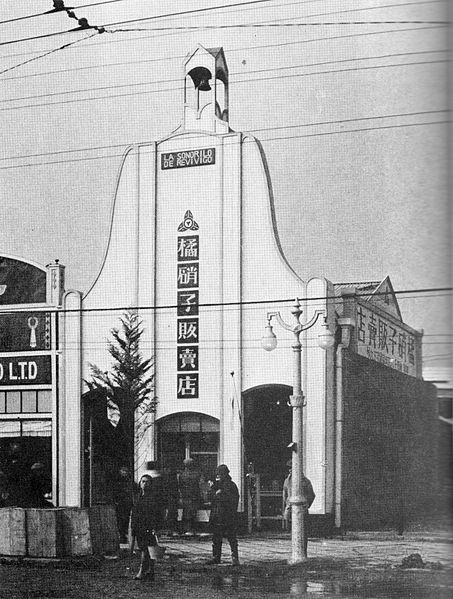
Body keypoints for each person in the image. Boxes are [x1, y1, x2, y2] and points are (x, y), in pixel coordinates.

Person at [130, 474, 164, 581]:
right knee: (146, 549)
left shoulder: (154, 498)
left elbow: (157, 514)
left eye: (147, 482)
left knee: (147, 549)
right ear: (140, 484)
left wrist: (156, 528)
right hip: (139, 526)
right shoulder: (137, 497)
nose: (145, 484)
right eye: (143, 482)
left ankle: (142, 571)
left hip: (149, 527)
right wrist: (133, 527)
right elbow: (134, 513)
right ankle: (150, 571)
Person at [206, 464, 240, 566]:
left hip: (227, 515)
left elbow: (232, 500)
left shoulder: (231, 486)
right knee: (216, 537)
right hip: (218, 515)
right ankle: (216, 557)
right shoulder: (217, 486)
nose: (218, 476)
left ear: (225, 474)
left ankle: (234, 558)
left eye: (220, 474)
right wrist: (214, 492)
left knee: (231, 537)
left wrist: (219, 495)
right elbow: (210, 497)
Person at [282, 460, 315, 554]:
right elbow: (284, 495)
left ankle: (302, 552)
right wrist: (287, 505)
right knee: (292, 532)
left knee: (303, 533)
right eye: (289, 468)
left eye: (292, 468)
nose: (290, 470)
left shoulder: (305, 481)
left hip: (302, 510)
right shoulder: (287, 481)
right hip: (290, 509)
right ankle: (294, 551)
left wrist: (306, 504)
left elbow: (311, 495)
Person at [178, 457, 202, 535]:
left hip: (185, 496)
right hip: (194, 496)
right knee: (192, 512)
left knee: (186, 512)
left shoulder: (182, 474)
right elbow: (200, 485)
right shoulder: (197, 474)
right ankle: (191, 529)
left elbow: (180, 486)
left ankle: (186, 528)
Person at [112, 466, 135, 543]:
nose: (124, 472)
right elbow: (114, 493)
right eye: (123, 471)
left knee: (127, 520)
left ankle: (125, 536)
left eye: (126, 471)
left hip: (128, 504)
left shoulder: (130, 482)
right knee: (120, 521)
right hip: (120, 505)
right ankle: (122, 536)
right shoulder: (117, 483)